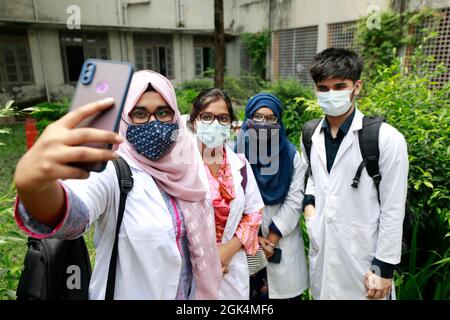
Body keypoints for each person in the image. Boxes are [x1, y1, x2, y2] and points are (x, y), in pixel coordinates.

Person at [13, 70, 222, 300]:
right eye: (139, 114)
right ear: (124, 119)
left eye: (163, 112)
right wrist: (36, 187)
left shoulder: (189, 163)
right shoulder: (112, 169)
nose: (154, 123)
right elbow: (74, 216)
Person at [302, 48, 409, 300]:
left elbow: (394, 208)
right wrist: (310, 212)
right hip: (324, 257)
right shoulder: (310, 135)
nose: (331, 94)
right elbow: (313, 180)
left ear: (356, 87)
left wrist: (384, 267)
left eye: (340, 86)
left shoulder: (385, 138)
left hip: (365, 265)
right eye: (323, 88)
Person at [188, 88, 264, 300]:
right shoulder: (181, 167)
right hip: (192, 268)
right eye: (207, 117)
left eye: (223, 118)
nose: (215, 123)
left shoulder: (240, 164)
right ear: (194, 121)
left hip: (232, 268)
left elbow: (255, 212)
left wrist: (227, 252)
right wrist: (208, 258)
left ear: (231, 125)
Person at [236, 93, 308, 300]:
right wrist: (253, 239)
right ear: (248, 119)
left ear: (279, 122)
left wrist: (270, 240)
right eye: (257, 117)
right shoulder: (236, 155)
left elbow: (294, 202)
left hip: (279, 245)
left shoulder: (291, 156)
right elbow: (232, 201)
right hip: (246, 244)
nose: (263, 123)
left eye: (271, 118)